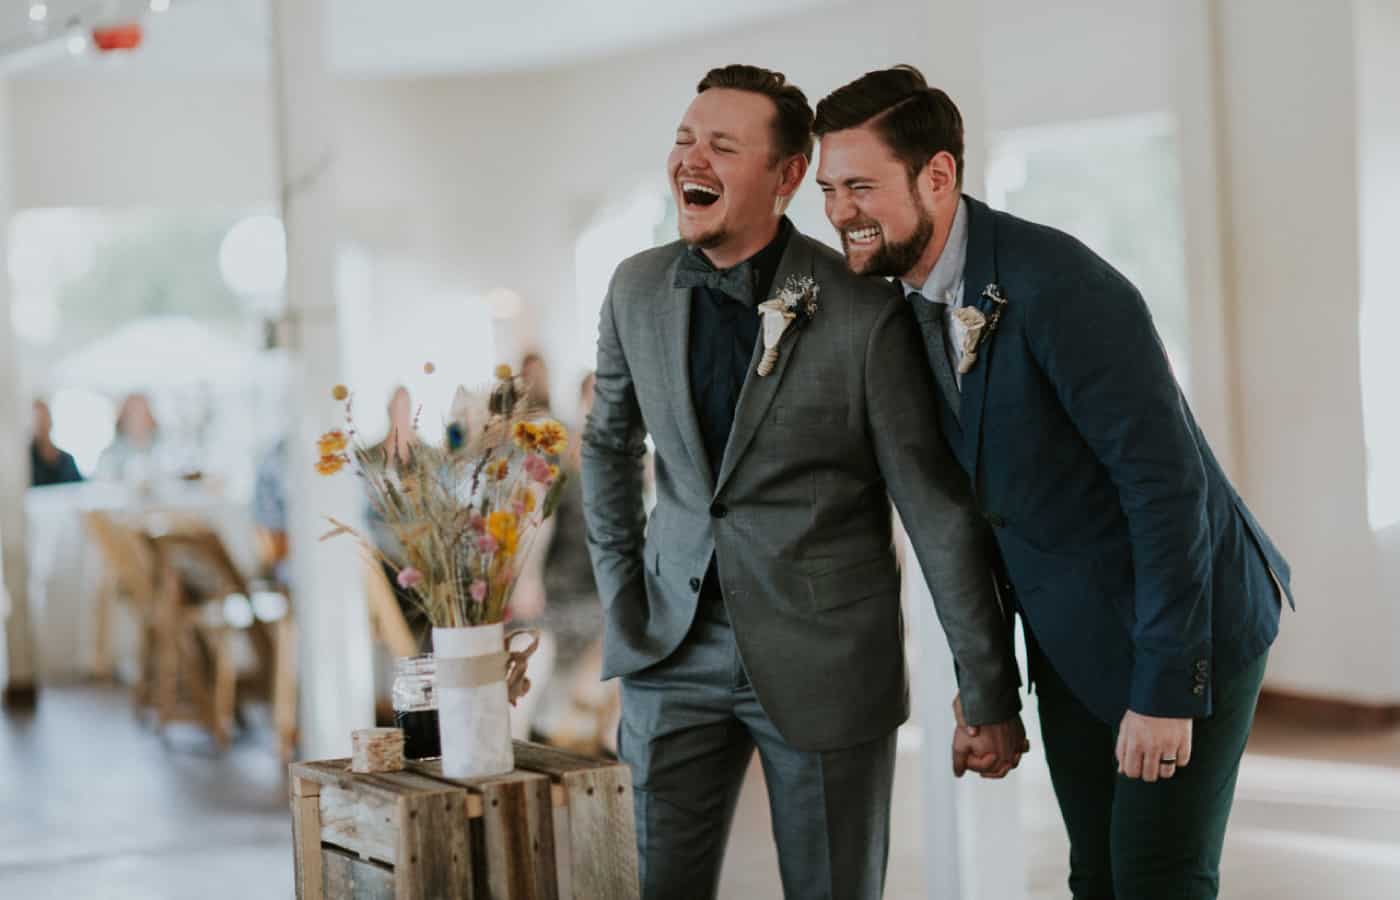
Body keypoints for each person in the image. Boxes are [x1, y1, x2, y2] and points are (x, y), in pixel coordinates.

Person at [814, 65, 1293, 899]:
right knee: (1095, 877)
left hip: (1186, 623)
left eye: (860, 186)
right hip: (1072, 634)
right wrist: (987, 688)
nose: (838, 213)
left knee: (1158, 881)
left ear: (938, 175)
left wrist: (1165, 690)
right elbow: (976, 511)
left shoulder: (1060, 285)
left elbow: (1169, 491)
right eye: (827, 189)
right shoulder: (911, 305)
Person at [582, 64, 1023, 900]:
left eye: (721, 145)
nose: (690, 159)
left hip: (827, 663)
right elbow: (606, 448)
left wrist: (986, 685)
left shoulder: (867, 312)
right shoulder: (633, 288)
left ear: (787, 177)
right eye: (683, 139)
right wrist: (622, 600)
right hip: (667, 653)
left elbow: (933, 509)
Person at [96, 392, 163, 481]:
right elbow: (103, 481)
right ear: (123, 418)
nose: (138, 418)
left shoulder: (164, 448)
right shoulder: (110, 453)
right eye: (132, 413)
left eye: (142, 412)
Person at [30, 399, 83, 487]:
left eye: (45, 418)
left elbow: (79, 487)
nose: (42, 424)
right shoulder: (27, 462)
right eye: (37, 420)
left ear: (51, 422)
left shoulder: (67, 459)